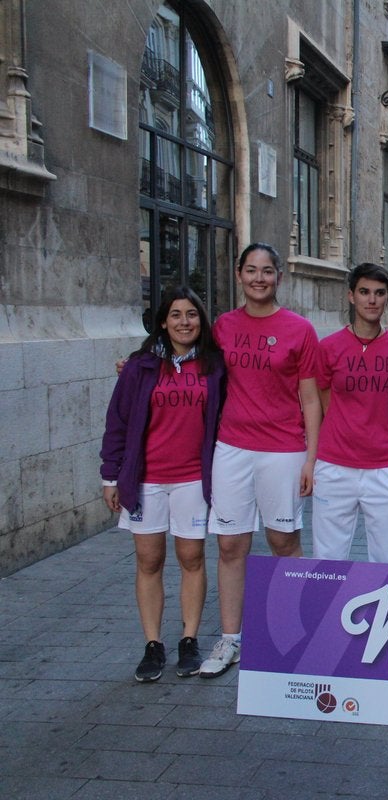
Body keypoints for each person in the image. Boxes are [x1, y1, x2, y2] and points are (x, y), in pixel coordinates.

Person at [201, 242, 322, 678]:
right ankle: (231, 638)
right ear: (239, 275)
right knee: (231, 545)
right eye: (251, 270)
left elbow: (310, 398)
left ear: (278, 278)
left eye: (267, 271)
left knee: (283, 543)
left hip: (283, 452)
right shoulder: (222, 327)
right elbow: (192, 368)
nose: (258, 278)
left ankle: (296, 633)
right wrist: (139, 365)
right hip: (232, 448)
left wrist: (312, 458)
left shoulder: (299, 330)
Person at [101, 287, 225, 682]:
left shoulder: (214, 366)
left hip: (192, 479)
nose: (184, 322)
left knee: (191, 559)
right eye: (176, 315)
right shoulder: (139, 367)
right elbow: (118, 422)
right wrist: (110, 475)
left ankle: (189, 639)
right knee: (149, 561)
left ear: (201, 321)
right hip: (146, 482)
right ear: (162, 322)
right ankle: (153, 645)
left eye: (192, 314)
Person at [311, 263, 388, 563]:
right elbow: (326, 402)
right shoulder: (329, 348)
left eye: (380, 293)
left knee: (387, 559)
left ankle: (379, 612)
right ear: (351, 296)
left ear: (387, 298)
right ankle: (328, 611)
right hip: (334, 466)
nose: (372, 300)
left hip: (384, 468)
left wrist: (377, 433)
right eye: (365, 292)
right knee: (328, 559)